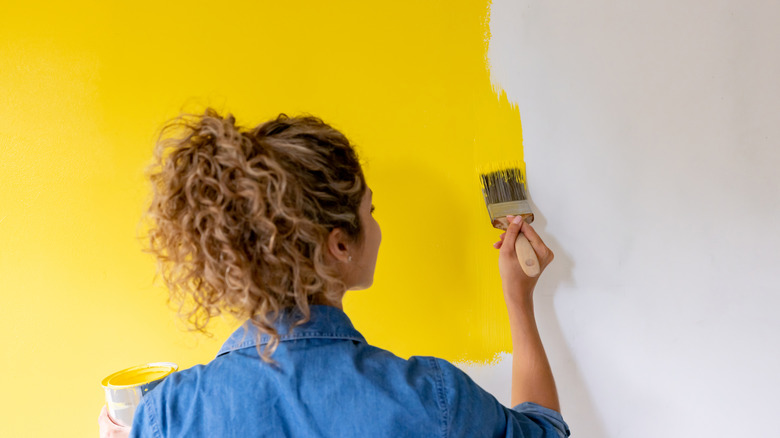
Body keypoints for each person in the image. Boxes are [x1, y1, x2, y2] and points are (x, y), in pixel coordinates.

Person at [98, 110, 570, 437]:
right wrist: (519, 300)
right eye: (371, 210)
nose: (378, 225)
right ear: (340, 244)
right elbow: (543, 432)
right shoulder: (430, 399)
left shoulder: (170, 413)